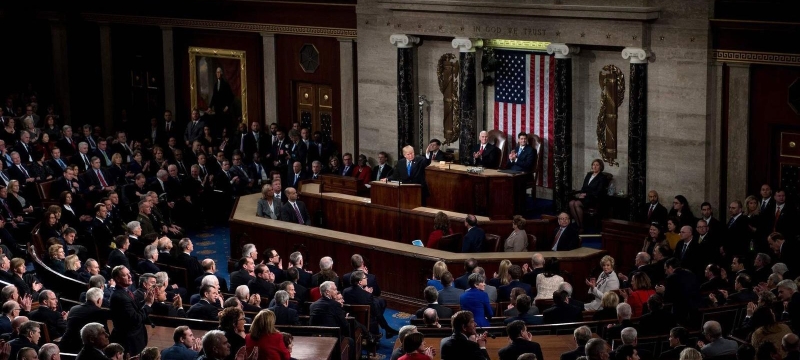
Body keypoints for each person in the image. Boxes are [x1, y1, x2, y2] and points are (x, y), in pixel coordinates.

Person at [109, 265, 153, 356]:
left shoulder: (126, 291)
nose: (130, 276)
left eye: (129, 273)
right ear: (117, 279)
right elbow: (135, 318)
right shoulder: (119, 296)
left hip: (136, 338)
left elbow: (134, 308)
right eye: (126, 275)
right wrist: (148, 304)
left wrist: (145, 301)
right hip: (129, 341)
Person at [569, 159, 608, 229]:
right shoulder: (589, 174)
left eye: (597, 165)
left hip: (594, 198)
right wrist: (581, 194)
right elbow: (584, 187)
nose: (595, 167)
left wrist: (586, 194)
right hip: (584, 196)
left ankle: (581, 227)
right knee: (571, 203)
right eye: (593, 165)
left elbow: (599, 192)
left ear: (600, 167)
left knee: (576, 203)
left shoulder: (602, 177)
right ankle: (579, 224)